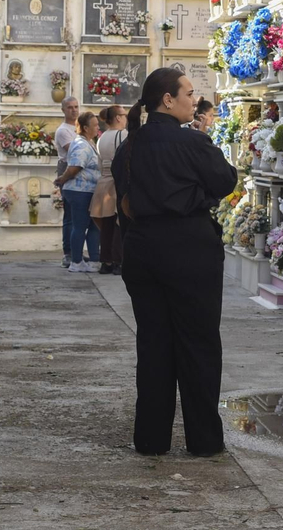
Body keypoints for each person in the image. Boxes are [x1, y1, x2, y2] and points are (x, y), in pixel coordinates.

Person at [113, 68, 237, 457]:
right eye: (189, 93)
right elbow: (226, 180)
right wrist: (197, 195)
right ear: (168, 100)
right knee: (198, 343)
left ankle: (151, 439)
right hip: (189, 249)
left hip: (142, 250)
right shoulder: (192, 143)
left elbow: (125, 202)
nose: (194, 100)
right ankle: (204, 440)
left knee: (153, 343)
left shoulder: (128, 147)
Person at [56, 110, 100, 273]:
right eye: (95, 125)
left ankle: (94, 259)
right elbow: (75, 167)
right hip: (80, 190)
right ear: (85, 128)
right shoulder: (81, 144)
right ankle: (76, 261)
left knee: (93, 225)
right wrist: (62, 179)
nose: (98, 128)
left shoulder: (89, 142)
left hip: (88, 190)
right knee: (80, 226)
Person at [90, 105, 128, 275]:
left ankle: (106, 262)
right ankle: (118, 261)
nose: (126, 118)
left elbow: (99, 163)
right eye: (124, 115)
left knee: (107, 225)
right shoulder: (123, 135)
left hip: (103, 182)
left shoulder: (102, 137)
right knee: (119, 224)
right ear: (118, 118)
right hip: (116, 182)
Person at [54, 96, 80, 268]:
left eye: (76, 107)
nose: (74, 110)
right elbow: (75, 151)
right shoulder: (63, 131)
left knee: (80, 217)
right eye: (70, 107)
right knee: (70, 216)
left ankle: (78, 251)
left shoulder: (79, 128)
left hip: (81, 171)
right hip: (68, 169)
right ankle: (68, 253)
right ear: (63, 110)